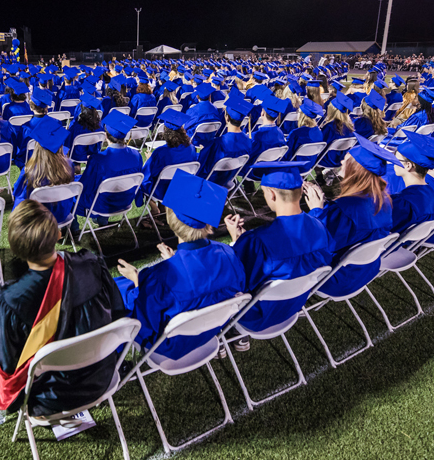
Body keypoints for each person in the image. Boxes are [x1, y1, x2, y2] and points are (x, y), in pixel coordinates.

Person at [0, 199, 127, 418]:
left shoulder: (11, 301)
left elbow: (8, 365)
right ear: (58, 234)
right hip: (102, 375)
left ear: (17, 248)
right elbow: (118, 313)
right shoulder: (92, 264)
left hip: (50, 397)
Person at [115, 170, 245, 360]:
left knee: (119, 289)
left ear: (171, 221)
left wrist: (137, 281)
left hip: (168, 347)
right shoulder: (229, 255)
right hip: (210, 332)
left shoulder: (159, 276)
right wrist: (174, 261)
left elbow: (146, 322)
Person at [223, 162, 333, 348]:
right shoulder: (320, 228)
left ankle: (232, 332)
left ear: (271, 195)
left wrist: (237, 241)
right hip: (292, 308)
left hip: (256, 317)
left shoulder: (256, 241)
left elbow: (238, 278)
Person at [303, 134, 397, 297]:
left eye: (345, 160)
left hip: (337, 278)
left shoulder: (346, 209)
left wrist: (316, 209)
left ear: (354, 168)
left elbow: (317, 241)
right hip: (367, 270)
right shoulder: (385, 201)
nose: (341, 162)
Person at [76, 110, 143, 221]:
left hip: (102, 205)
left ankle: (74, 230)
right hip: (125, 201)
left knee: (70, 193)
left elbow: (86, 187)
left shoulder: (98, 159)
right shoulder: (136, 155)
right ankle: (102, 221)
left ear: (106, 136)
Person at [11, 116, 77, 223]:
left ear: (37, 145)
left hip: (40, 219)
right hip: (62, 214)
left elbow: (19, 193)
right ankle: (74, 226)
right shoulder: (69, 164)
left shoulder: (30, 169)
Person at [136, 109, 198, 220]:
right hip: (183, 187)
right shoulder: (191, 148)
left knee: (141, 179)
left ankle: (154, 207)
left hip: (163, 190)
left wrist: (150, 159)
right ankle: (164, 207)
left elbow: (148, 175)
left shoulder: (161, 152)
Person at [389, 132, 434, 234]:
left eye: (395, 160)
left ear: (408, 166)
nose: (392, 163)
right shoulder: (432, 192)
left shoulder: (403, 201)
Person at [196, 97, 252, 187]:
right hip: (228, 180)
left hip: (211, 182)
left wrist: (205, 150)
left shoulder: (218, 143)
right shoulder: (248, 142)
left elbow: (203, 167)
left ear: (226, 118)